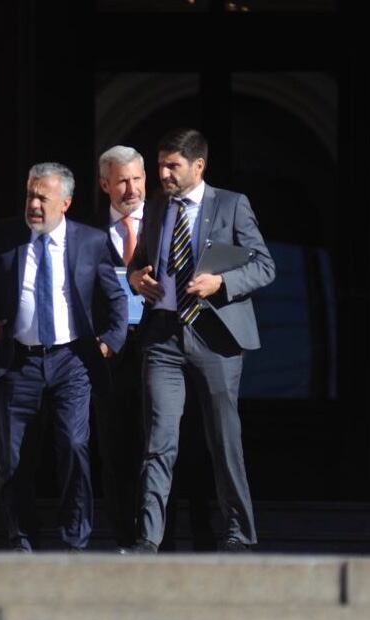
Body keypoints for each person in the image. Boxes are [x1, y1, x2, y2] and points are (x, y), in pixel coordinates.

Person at [0, 162, 127, 552]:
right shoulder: (4, 234)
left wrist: (110, 341)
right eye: (30, 195)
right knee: (14, 461)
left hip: (72, 362)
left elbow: (116, 297)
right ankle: (22, 541)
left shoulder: (91, 241)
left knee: (75, 447)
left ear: (65, 202)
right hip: (17, 362)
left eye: (42, 197)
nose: (33, 204)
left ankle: (74, 540)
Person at [127, 129, 275, 553]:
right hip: (164, 335)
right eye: (161, 165)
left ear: (198, 166)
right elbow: (140, 263)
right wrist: (138, 278)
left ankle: (240, 533)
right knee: (159, 439)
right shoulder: (156, 206)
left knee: (223, 438)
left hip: (216, 337)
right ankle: (148, 538)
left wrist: (222, 283)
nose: (164, 174)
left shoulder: (231, 204)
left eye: (173, 166)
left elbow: (265, 266)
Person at [95, 145, 146, 548]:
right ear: (105, 184)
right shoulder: (86, 234)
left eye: (137, 179)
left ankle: (157, 534)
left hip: (160, 347)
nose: (131, 189)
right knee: (114, 444)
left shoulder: (168, 224)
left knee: (160, 441)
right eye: (122, 181)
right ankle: (123, 536)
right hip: (107, 353)